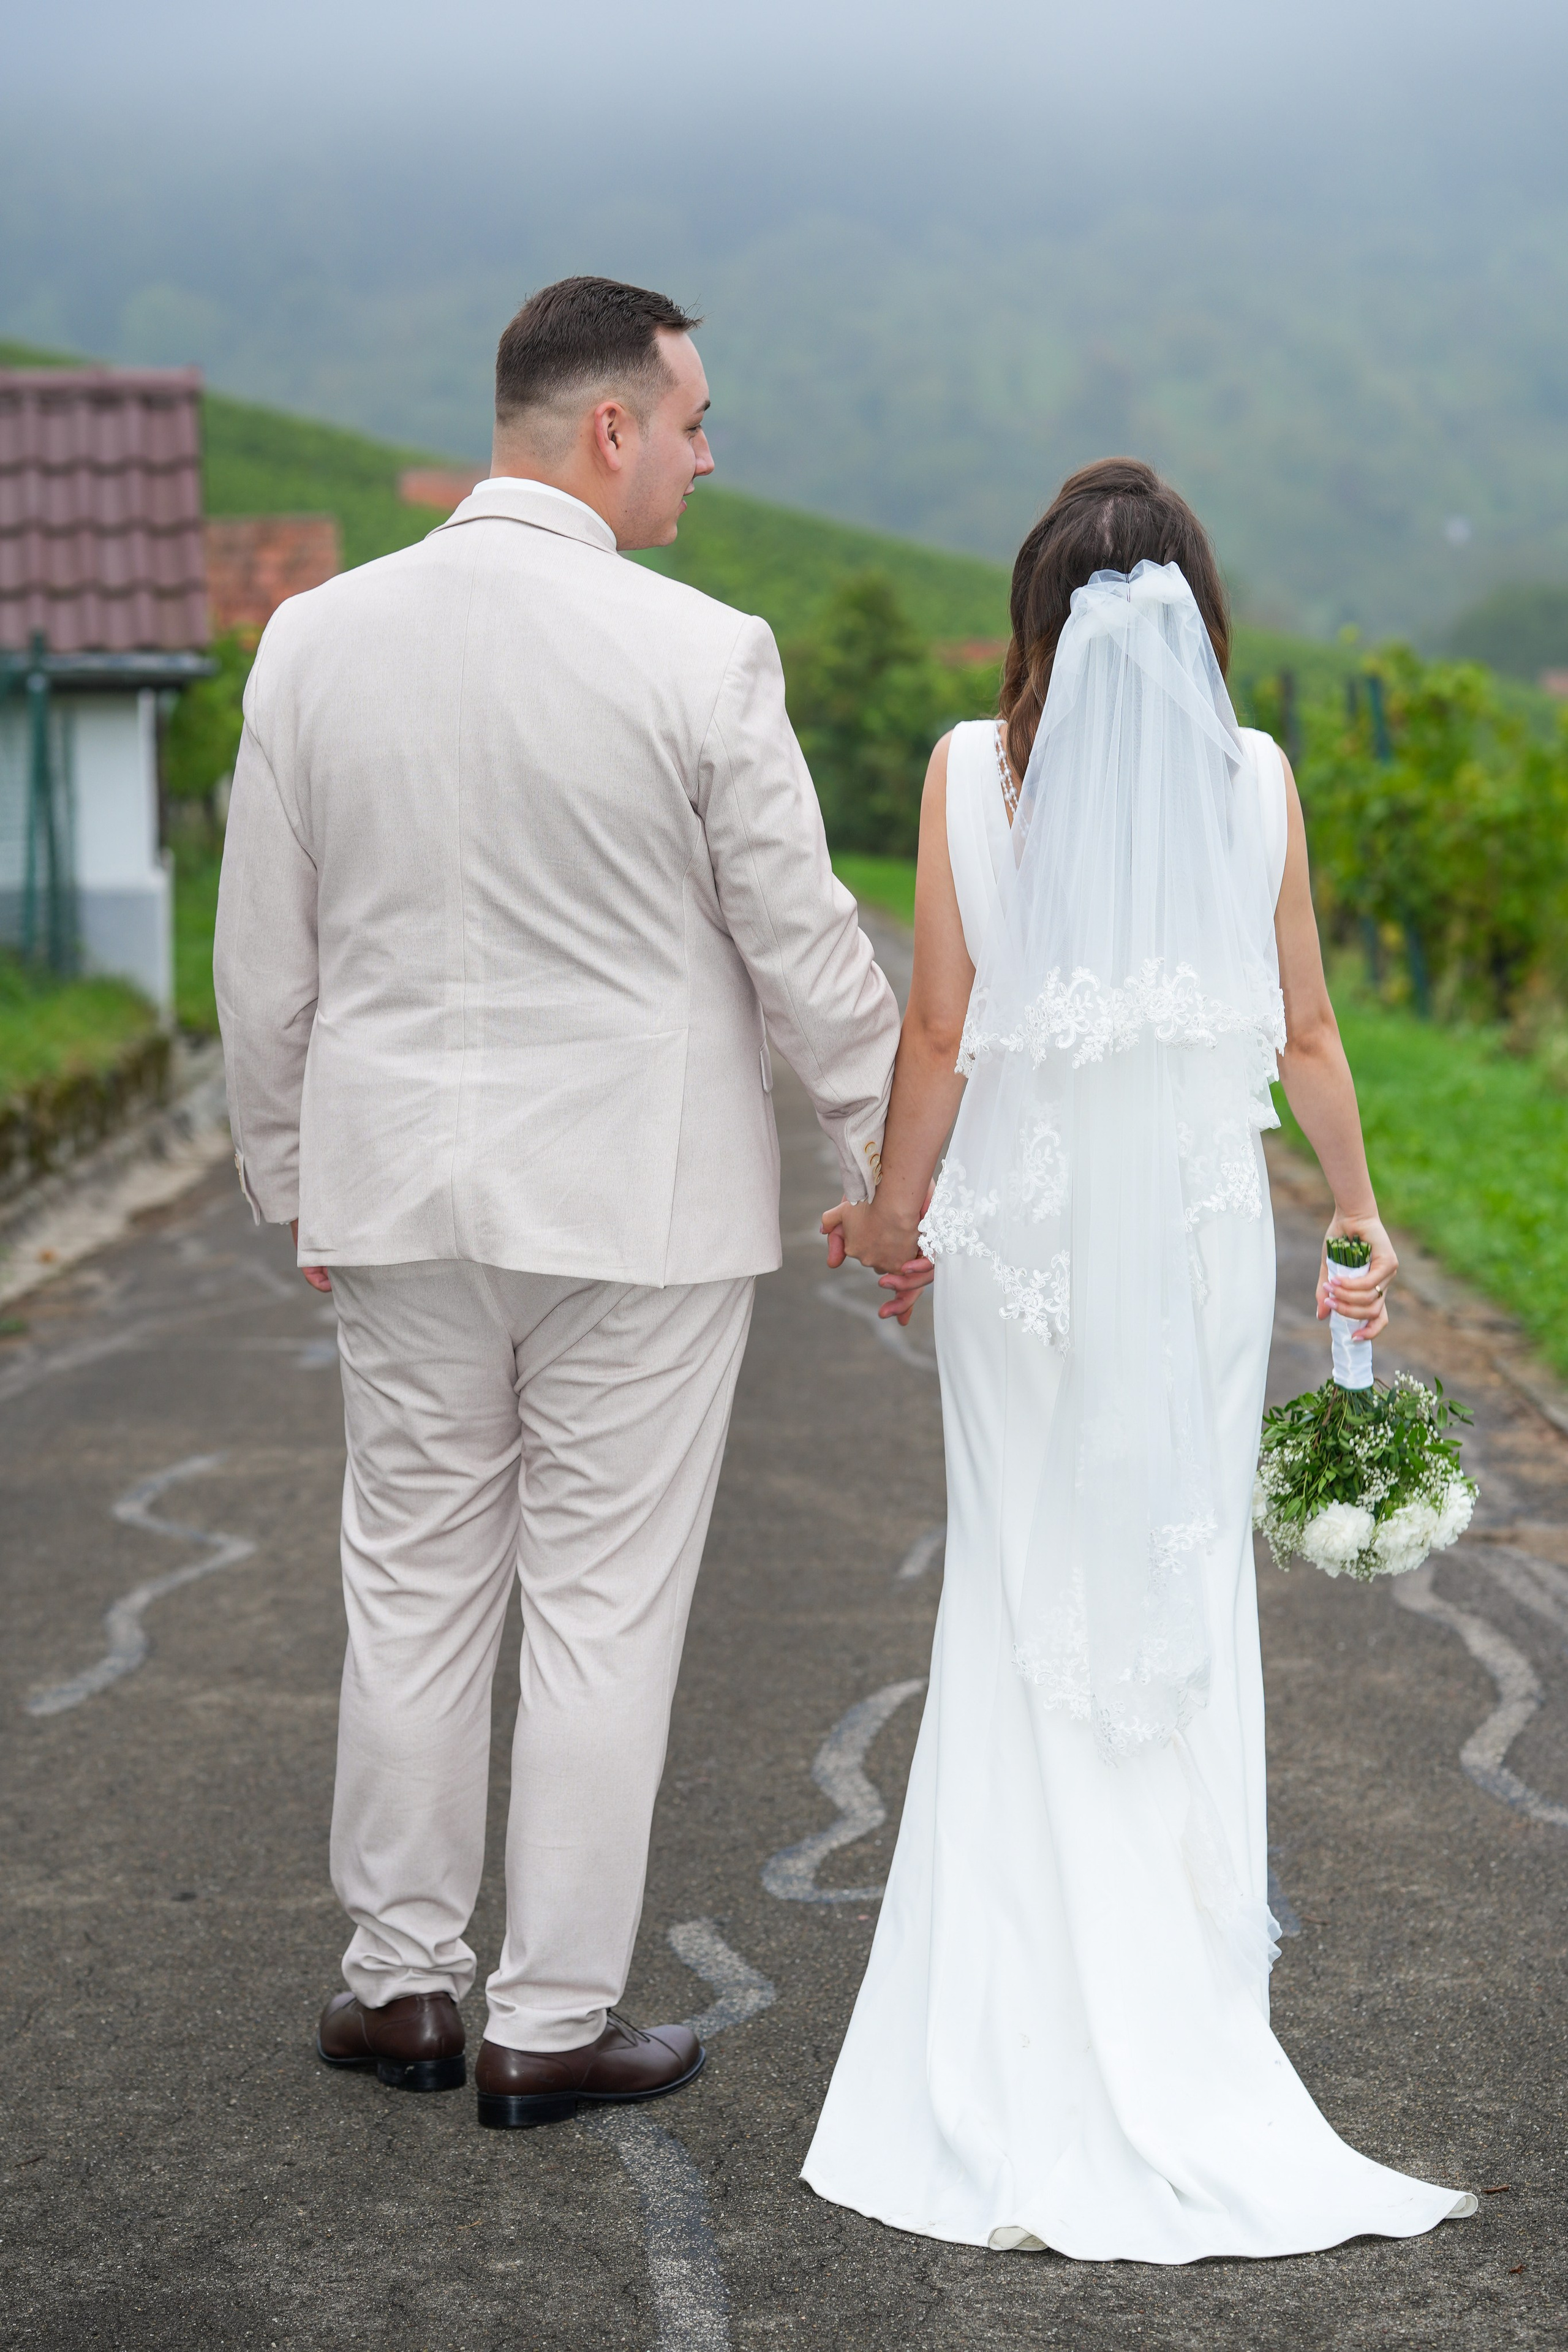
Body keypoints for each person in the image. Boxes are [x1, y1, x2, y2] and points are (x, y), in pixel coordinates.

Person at [214, 277, 908, 2128]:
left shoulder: (312, 640)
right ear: (611, 428)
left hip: (397, 1200)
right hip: (641, 1208)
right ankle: (547, 2020)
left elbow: (260, 968)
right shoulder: (702, 653)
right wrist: (901, 1170)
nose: (704, 456)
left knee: (416, 1589)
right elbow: (806, 954)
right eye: (691, 422)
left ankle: (399, 1989)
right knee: (602, 1607)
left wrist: (294, 1179)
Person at [804, 459, 1477, 2258]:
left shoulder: (969, 771)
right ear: (1199, 623)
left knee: (1020, 1594)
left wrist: (891, 1217)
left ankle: (1012, 2015)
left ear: (1038, 621)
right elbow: (1313, 1029)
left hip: (1022, 1256)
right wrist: (1357, 1218)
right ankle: (1177, 2016)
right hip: (1188, 1257)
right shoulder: (1252, 782)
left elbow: (939, 1029)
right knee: (1173, 1602)